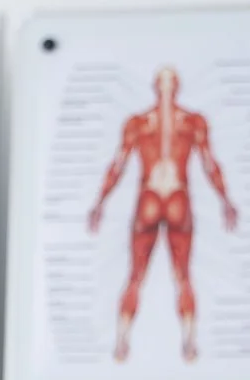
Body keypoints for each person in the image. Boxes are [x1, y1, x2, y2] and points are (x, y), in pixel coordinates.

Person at [87, 66, 238, 364]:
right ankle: (189, 344)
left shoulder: (139, 123)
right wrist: (225, 200)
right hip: (177, 197)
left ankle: (121, 343)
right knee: (182, 276)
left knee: (136, 276)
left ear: (155, 87)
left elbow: (117, 165)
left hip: (150, 198)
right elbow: (210, 164)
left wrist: (100, 203)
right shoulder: (192, 122)